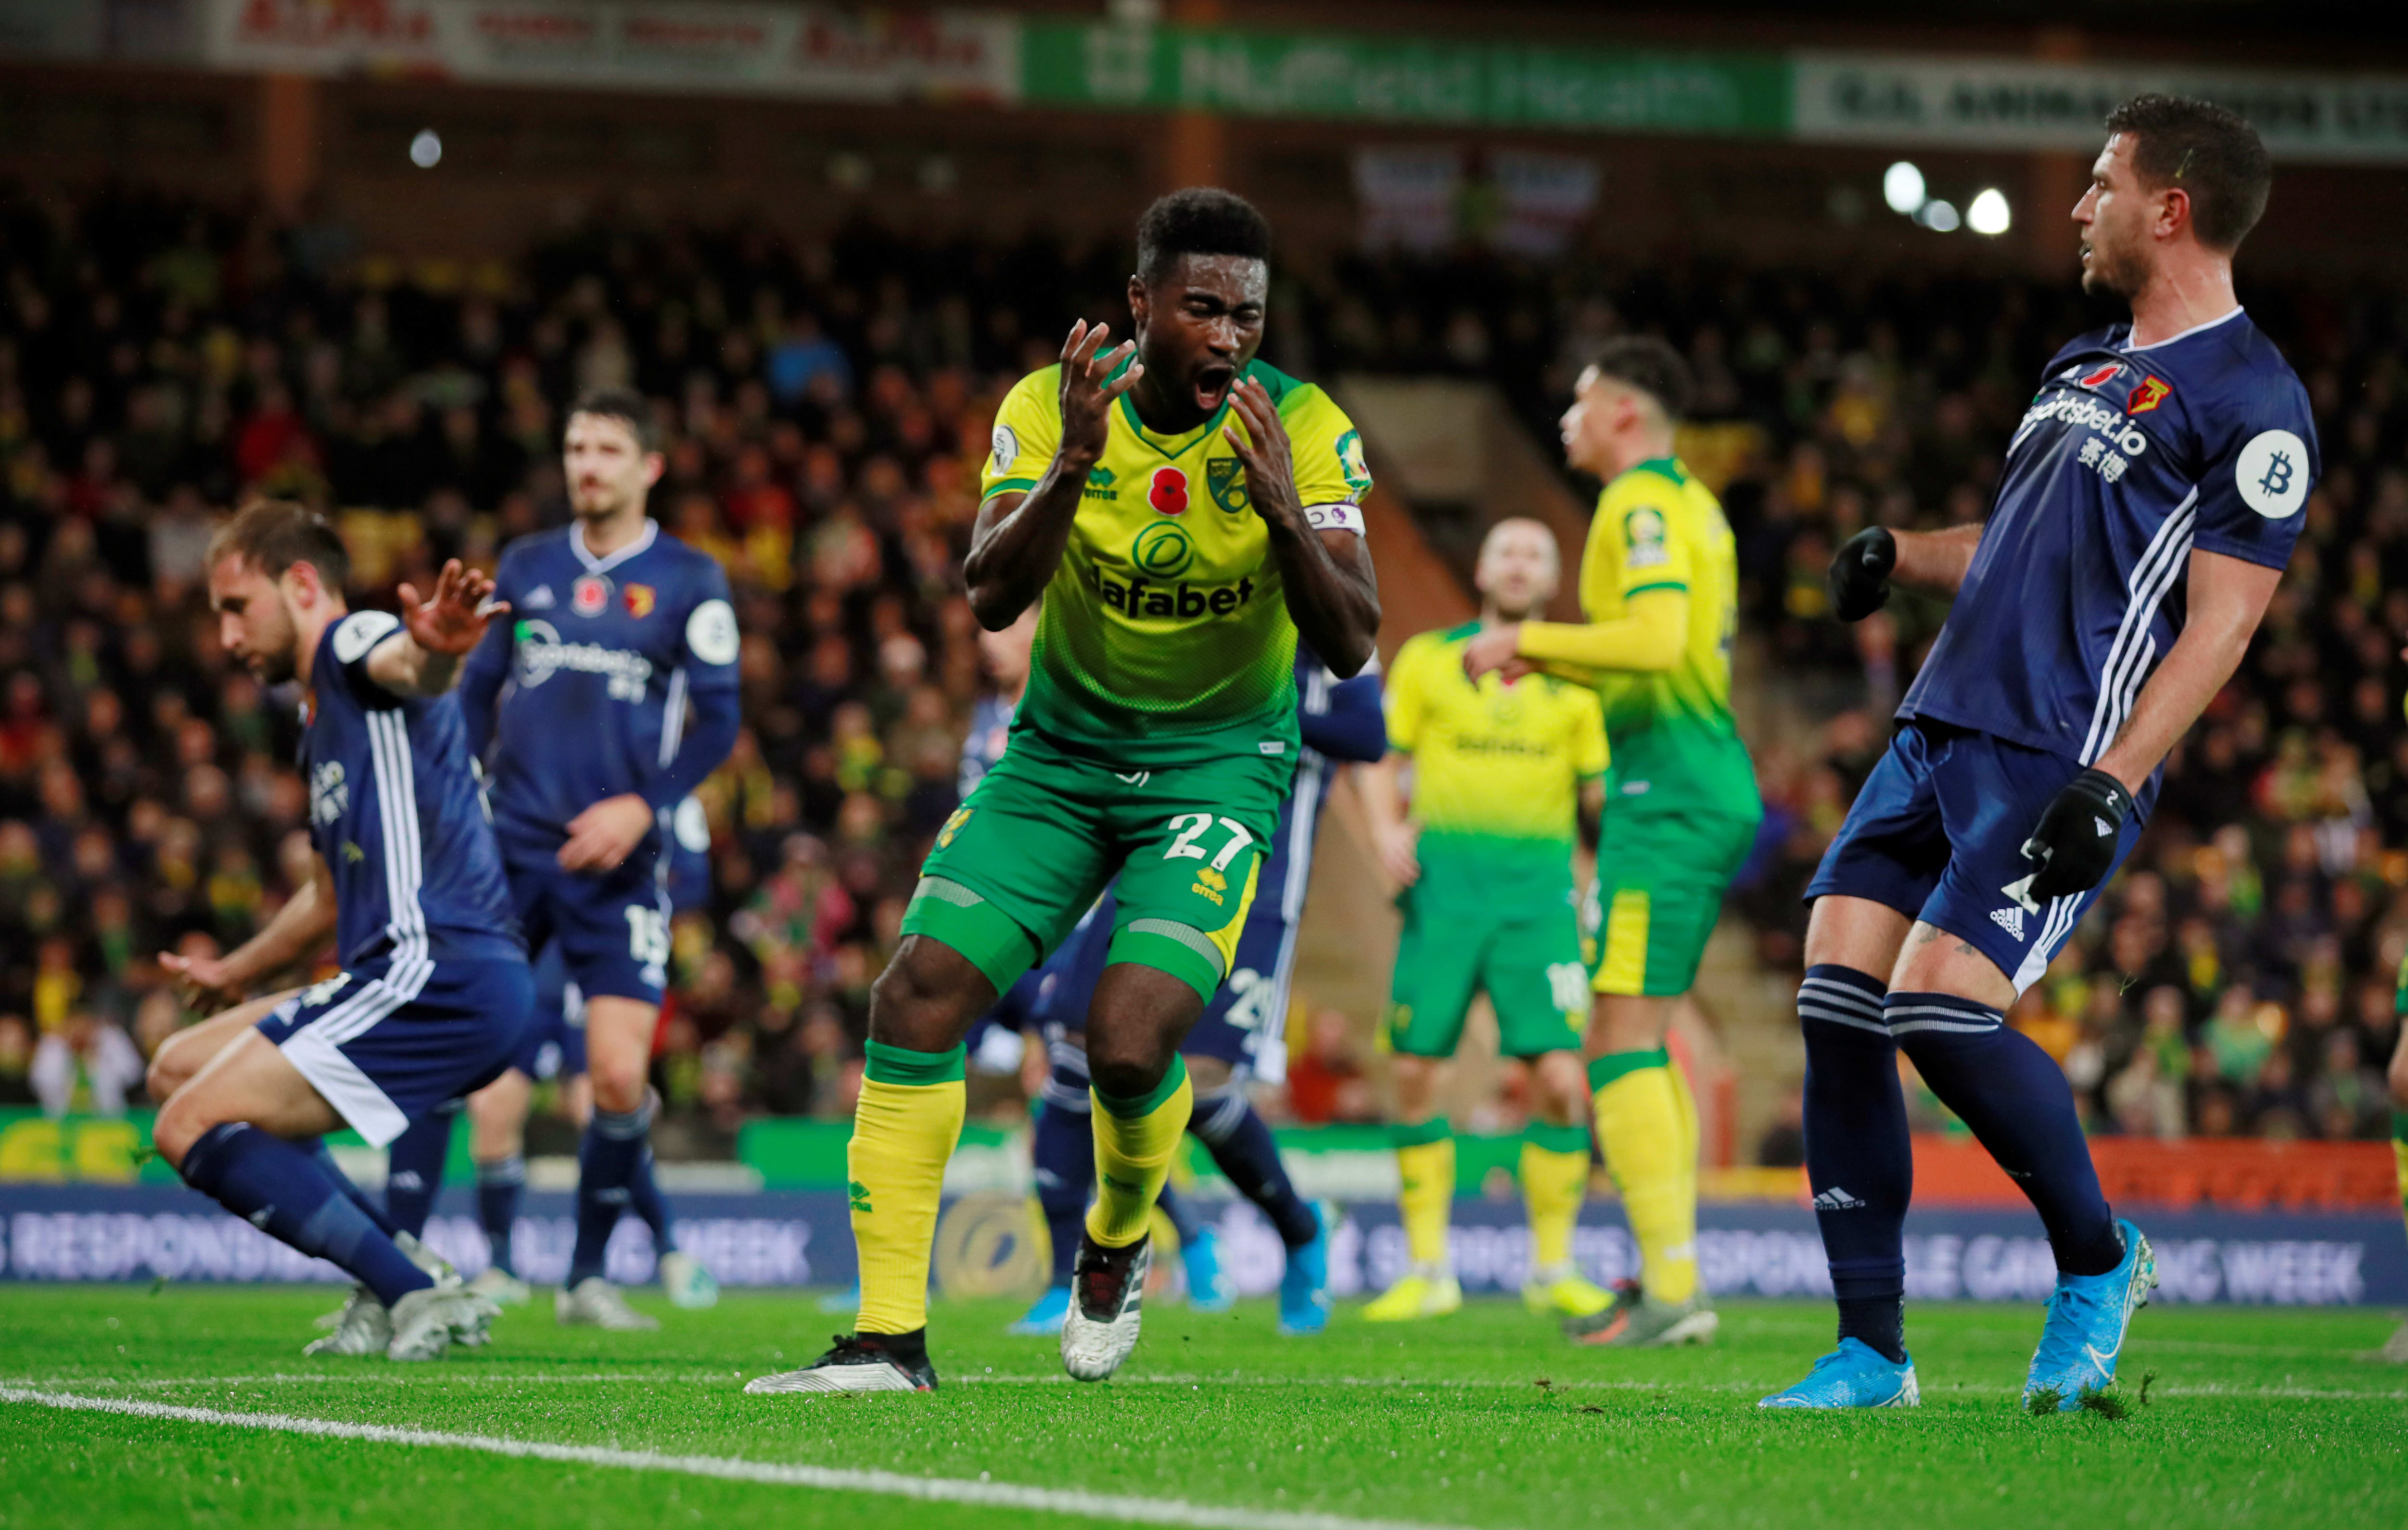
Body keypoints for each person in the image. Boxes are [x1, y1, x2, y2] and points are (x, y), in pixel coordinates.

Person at [747, 187, 1379, 1395]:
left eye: (1247, 315)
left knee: (1128, 1044)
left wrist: (1283, 514)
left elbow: (1351, 641)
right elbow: (991, 592)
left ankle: (1116, 1242)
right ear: (1140, 304)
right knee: (915, 997)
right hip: (1060, 760)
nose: (1229, 336)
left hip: (1215, 769)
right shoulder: (1051, 407)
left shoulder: (1302, 427)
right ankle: (887, 1342)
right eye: (1202, 309)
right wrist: (1077, 464)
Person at [1772, 95, 2314, 1409]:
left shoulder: (2255, 399)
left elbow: (2223, 622)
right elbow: (2012, 542)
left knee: (1935, 1009)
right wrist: (1901, 555)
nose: (2076, 207)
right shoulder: (2081, 362)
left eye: (2098, 183)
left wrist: (2110, 779)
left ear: (2167, 209)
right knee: (1835, 1000)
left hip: (2054, 753)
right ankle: (1869, 1352)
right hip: (1937, 723)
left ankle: (2098, 1259)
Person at [143, 499, 529, 1361]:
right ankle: (403, 1271)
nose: (227, 636)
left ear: (302, 584)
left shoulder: (352, 643)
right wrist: (232, 972)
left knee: (184, 1124)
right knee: (177, 1067)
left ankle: (411, 1288)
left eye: (237, 606)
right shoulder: (319, 725)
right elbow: (324, 898)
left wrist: (437, 649)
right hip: (411, 974)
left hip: (437, 968)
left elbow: (407, 664)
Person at [1465, 339, 1761, 1349]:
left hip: (1668, 793)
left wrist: (1525, 639)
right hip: (1682, 784)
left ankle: (1673, 1289)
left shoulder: (1638, 504)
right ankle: (1668, 1277)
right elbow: (1653, 659)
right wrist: (1556, 665)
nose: (1566, 418)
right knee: (1641, 1034)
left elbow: (1655, 642)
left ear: (1625, 414)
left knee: (1618, 1041)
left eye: (1581, 401)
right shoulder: (1686, 503)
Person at [445, 389, 743, 1328]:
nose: (587, 465)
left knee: (615, 1080)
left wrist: (641, 804)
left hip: (620, 862)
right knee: (472, 1061)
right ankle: (449, 1263)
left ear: (649, 466)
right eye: (577, 448)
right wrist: (459, 803)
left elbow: (720, 720)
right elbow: (475, 695)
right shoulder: (525, 564)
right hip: (510, 853)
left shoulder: (690, 577)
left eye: (608, 450)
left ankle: (585, 1277)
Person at [1012, 636, 1385, 1339]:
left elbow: (1368, 735)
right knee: (1076, 1042)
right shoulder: (1204, 612)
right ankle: (1063, 1279)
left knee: (1205, 1082)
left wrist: (1245, 712)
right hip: (1156, 852)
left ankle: (1299, 1229)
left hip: (1260, 877)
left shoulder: (1336, 630)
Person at [1360, 519, 1616, 1325]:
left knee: (1561, 1082)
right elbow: (1381, 757)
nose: (1517, 564)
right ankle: (1427, 1270)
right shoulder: (1426, 659)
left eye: (1534, 554)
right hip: (1442, 895)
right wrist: (1384, 831)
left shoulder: (1577, 679)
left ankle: (1553, 1267)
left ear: (1552, 580)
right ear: (1479, 567)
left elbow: (1601, 798)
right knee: (1414, 1073)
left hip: (1539, 904)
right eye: (1505, 549)